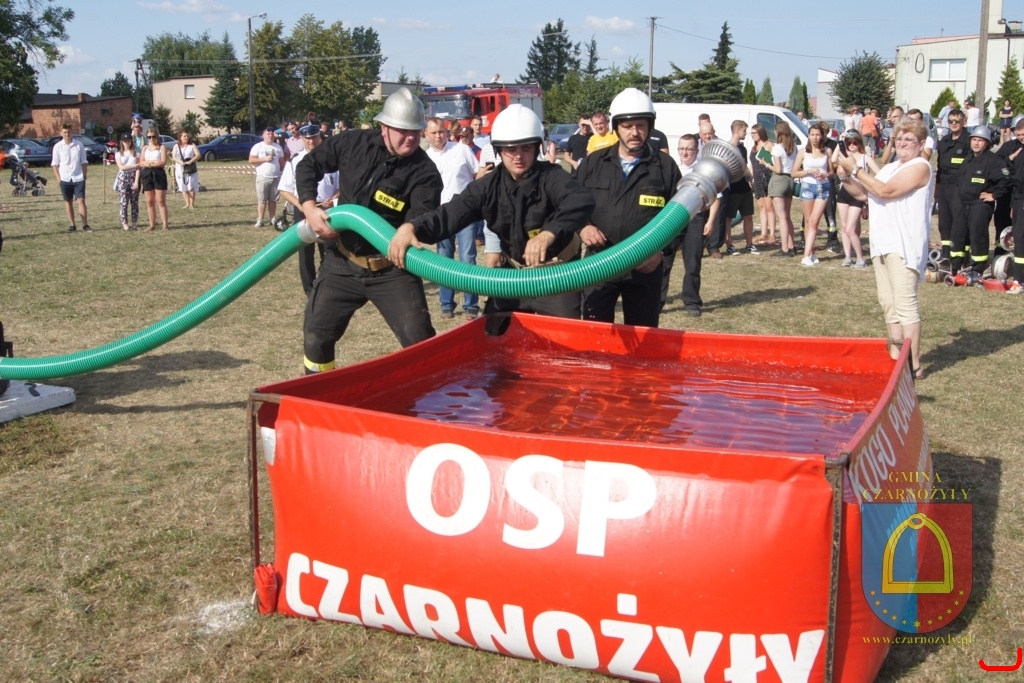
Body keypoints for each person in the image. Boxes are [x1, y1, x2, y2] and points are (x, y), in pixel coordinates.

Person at [388, 103, 594, 320]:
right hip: (512, 277)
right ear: (499, 150)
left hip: (558, 276)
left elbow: (580, 200)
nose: (518, 156)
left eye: (526, 148)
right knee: (494, 332)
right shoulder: (487, 186)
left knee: (563, 338)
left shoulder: (552, 176)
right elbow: (450, 214)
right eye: (511, 149)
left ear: (537, 147)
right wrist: (412, 227)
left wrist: (548, 233)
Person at [295, 87, 442, 373]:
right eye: (403, 130)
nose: (411, 138)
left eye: (416, 131)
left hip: (391, 269)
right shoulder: (353, 143)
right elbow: (309, 165)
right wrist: (309, 207)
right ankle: (319, 389)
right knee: (316, 335)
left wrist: (410, 227)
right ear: (384, 127)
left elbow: (423, 216)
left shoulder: (425, 173)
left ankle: (430, 397)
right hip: (342, 262)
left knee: (420, 341)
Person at [576, 88, 682, 327]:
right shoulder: (593, 163)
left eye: (641, 126)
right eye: (627, 126)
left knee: (643, 336)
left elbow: (681, 215)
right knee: (596, 333)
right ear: (616, 127)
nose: (635, 132)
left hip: (645, 267)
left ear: (650, 127)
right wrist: (583, 227)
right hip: (599, 264)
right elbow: (571, 205)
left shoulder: (665, 167)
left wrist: (661, 251)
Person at [836, 119, 933, 379]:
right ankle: (895, 357)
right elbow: (864, 193)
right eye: (898, 139)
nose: (902, 143)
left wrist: (856, 169)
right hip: (882, 243)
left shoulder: (920, 166)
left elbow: (886, 191)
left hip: (904, 244)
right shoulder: (889, 167)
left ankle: (913, 364)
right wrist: (845, 174)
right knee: (888, 304)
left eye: (909, 139)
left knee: (905, 305)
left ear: (921, 144)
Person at [424, 117, 481, 319]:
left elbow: (478, 173)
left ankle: (471, 304)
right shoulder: (424, 158)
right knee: (444, 260)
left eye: (441, 132)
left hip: (465, 213)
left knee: (468, 258)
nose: (438, 136)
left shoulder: (461, 150)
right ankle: (446, 304)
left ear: (447, 132)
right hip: (441, 215)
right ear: (426, 134)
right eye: (434, 133)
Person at [278, 124, 339, 296]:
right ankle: (310, 290)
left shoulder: (332, 159)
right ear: (303, 139)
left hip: (326, 209)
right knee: (305, 252)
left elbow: (340, 186)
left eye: (314, 137)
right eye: (308, 138)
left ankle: (327, 285)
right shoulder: (295, 160)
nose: (311, 141)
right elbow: (284, 189)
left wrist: (334, 197)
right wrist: (300, 205)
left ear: (320, 137)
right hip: (303, 209)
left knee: (330, 250)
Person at [661, 134, 718, 317]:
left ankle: (692, 302)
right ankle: (657, 301)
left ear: (697, 150)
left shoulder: (704, 170)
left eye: (689, 149)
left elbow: (716, 197)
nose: (685, 153)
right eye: (682, 148)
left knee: (693, 263)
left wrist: (710, 221)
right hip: (672, 219)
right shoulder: (670, 167)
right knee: (664, 262)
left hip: (695, 219)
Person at [949, 126, 1010, 277]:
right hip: (964, 204)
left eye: (980, 140)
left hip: (980, 206)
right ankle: (956, 266)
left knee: (978, 237)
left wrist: (993, 195)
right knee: (958, 235)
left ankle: (977, 269)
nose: (976, 143)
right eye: (974, 140)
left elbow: (1006, 180)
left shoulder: (993, 161)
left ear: (987, 143)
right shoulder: (969, 158)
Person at [831, 131, 875, 268]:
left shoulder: (865, 158)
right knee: (844, 227)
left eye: (854, 142)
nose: (851, 145)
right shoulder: (844, 157)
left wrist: (871, 187)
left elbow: (879, 172)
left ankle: (860, 258)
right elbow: (833, 160)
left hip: (858, 193)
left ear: (860, 143)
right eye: (848, 143)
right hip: (844, 192)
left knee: (851, 228)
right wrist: (840, 142)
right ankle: (848, 256)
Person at [793, 124, 833, 266]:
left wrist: (825, 174)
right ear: (808, 136)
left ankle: (808, 253)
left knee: (815, 221)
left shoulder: (827, 151)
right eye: (812, 134)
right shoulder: (803, 152)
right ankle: (808, 254)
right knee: (809, 221)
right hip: (808, 187)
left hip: (823, 187)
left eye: (817, 134)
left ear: (822, 136)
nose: (815, 137)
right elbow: (794, 173)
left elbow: (832, 171)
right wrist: (808, 172)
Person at [758, 121, 798, 257]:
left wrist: (766, 164)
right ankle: (791, 246)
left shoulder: (777, 148)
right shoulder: (794, 147)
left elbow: (778, 169)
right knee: (787, 216)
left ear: (777, 132)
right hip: (790, 180)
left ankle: (785, 248)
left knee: (782, 217)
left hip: (779, 180)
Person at [935, 109, 968, 260]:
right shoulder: (944, 141)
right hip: (944, 185)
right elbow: (939, 167)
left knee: (959, 220)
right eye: (951, 121)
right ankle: (946, 254)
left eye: (957, 121)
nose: (954, 124)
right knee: (944, 221)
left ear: (963, 122)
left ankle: (962, 255)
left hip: (959, 186)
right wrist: (937, 189)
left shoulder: (969, 141)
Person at [51, 123, 91, 233]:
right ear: (61, 133)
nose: (67, 134)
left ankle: (85, 225)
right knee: (68, 201)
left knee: (81, 200)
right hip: (65, 178)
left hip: (78, 177)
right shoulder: (57, 146)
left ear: (71, 132)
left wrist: (84, 175)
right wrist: (58, 179)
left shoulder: (79, 145)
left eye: (68, 132)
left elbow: (84, 162)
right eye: (64, 132)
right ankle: (72, 225)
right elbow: (55, 164)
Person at [726, 119, 758, 254]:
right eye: (744, 130)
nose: (746, 133)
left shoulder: (743, 149)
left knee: (748, 216)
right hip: (732, 189)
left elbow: (744, 166)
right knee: (728, 218)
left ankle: (749, 244)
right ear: (737, 130)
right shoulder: (727, 148)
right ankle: (729, 245)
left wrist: (749, 176)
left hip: (745, 188)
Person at [699, 120, 728, 258]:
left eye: (710, 133)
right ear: (700, 134)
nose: (707, 136)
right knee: (699, 216)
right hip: (700, 186)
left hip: (718, 185)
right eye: (705, 134)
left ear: (714, 133)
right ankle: (697, 245)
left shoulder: (721, 146)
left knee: (718, 217)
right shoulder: (695, 146)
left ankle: (714, 247)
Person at [249, 127, 284, 227]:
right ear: (263, 135)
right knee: (262, 200)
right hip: (263, 177)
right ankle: (260, 219)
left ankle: (272, 219)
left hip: (276, 177)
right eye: (268, 134)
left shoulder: (278, 147)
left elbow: (282, 162)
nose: (270, 136)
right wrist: (264, 159)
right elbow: (251, 160)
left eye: (272, 134)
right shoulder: (258, 146)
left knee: (273, 200)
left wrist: (281, 171)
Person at [749, 124, 776, 246]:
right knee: (761, 207)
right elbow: (752, 165)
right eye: (751, 133)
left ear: (761, 132)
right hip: (758, 180)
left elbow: (775, 161)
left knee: (769, 207)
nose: (753, 135)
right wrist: (750, 178)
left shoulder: (768, 145)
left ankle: (772, 234)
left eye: (755, 133)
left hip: (768, 178)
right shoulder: (753, 148)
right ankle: (763, 233)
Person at [139, 127, 169, 231]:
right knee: (150, 201)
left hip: (159, 174)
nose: (151, 139)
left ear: (157, 136)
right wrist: (152, 163)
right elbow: (141, 162)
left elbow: (162, 162)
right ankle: (152, 225)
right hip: (147, 174)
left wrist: (149, 163)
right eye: (149, 137)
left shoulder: (162, 147)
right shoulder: (145, 148)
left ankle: (165, 225)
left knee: (160, 200)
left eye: (153, 136)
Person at [113, 133, 140, 231]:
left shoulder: (136, 153)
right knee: (124, 202)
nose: (127, 143)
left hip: (133, 177)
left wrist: (136, 181)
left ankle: (134, 223)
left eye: (128, 141)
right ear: (122, 142)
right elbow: (122, 167)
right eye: (125, 141)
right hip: (123, 178)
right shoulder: (118, 154)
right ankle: (125, 223)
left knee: (134, 202)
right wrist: (135, 166)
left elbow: (138, 168)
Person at [171, 130, 199, 210]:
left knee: (190, 186)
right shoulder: (176, 146)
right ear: (180, 137)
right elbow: (173, 157)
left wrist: (190, 161)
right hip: (180, 168)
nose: (186, 137)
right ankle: (187, 203)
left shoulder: (192, 145)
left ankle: (191, 204)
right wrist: (179, 162)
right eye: (184, 136)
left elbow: (198, 155)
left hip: (190, 168)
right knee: (183, 186)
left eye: (187, 136)